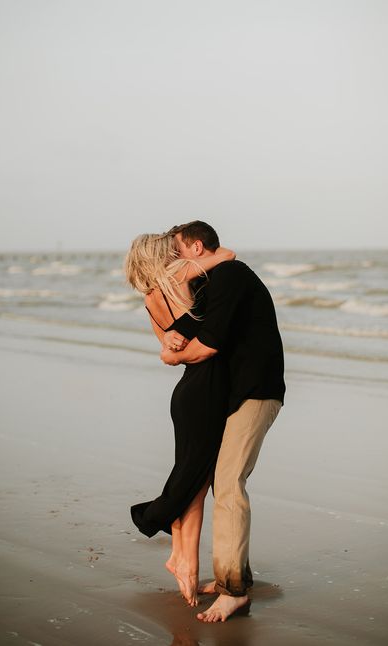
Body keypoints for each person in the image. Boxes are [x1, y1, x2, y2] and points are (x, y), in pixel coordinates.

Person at [160, 221, 285, 623]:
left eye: (179, 252)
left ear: (196, 247)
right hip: (237, 394)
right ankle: (232, 575)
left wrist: (176, 355)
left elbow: (209, 344)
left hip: (256, 391)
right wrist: (174, 338)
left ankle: (234, 592)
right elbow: (198, 326)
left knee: (229, 483)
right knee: (223, 482)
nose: (177, 261)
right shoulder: (219, 278)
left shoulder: (231, 275)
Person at [124, 232, 235, 607]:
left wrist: (174, 343)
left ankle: (185, 561)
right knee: (195, 481)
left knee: (194, 479)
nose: (176, 253)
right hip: (204, 389)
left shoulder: (149, 297)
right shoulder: (179, 275)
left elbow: (171, 346)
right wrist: (189, 261)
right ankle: (181, 557)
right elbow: (228, 254)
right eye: (169, 250)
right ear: (161, 256)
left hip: (188, 391)